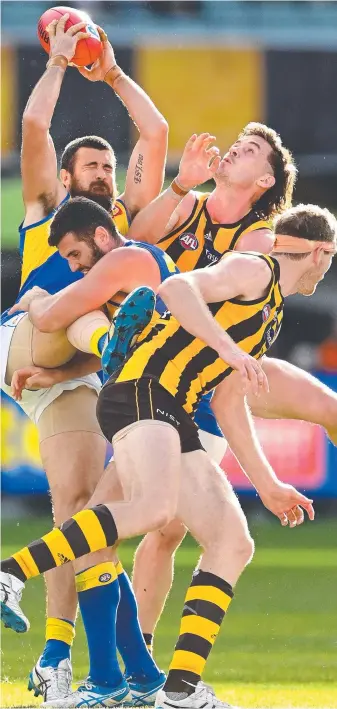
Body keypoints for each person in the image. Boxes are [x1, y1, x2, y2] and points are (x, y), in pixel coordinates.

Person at [2, 203, 336, 709]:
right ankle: (10, 572)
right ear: (320, 252)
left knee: (233, 542)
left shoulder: (271, 311)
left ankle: (179, 689)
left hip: (169, 407)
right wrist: (228, 349)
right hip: (142, 390)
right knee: (154, 512)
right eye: (329, 260)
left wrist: (266, 484)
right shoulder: (255, 267)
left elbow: (226, 400)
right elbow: (176, 289)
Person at [0, 15, 169, 705]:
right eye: (92, 166)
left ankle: (63, 659)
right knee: (84, 310)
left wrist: (113, 74)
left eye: (108, 166)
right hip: (25, 340)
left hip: (72, 372)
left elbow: (155, 135)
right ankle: (109, 338)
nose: (103, 174)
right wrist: (60, 63)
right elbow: (34, 132)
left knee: (81, 511)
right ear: (67, 176)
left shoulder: (118, 231)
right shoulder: (48, 212)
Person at [124, 126, 337, 650]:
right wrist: (178, 186)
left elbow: (227, 335)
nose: (235, 145)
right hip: (157, 369)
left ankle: (133, 657)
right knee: (145, 520)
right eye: (237, 143)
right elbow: (138, 240)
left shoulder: (260, 240)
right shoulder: (189, 202)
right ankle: (124, 656)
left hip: (206, 374)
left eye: (250, 149)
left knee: (164, 526)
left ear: (265, 179)